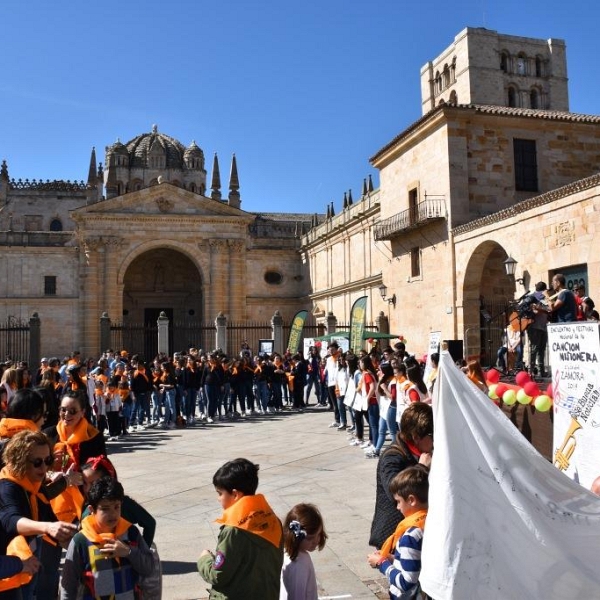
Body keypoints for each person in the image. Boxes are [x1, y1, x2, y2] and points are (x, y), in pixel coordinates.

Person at [0, 431, 78, 599]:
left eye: (48, 460)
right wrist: (47, 527)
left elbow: (46, 511)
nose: (44, 468)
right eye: (37, 462)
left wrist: (77, 544)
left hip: (29, 556)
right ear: (20, 461)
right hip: (8, 568)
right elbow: (11, 521)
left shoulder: (33, 480)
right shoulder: (7, 487)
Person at [198, 458, 284, 599]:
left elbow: (218, 575)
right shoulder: (272, 520)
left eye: (220, 493)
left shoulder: (234, 530)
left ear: (235, 494)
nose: (218, 499)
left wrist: (204, 559)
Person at [59, 476, 154, 600]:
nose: (113, 514)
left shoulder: (130, 533)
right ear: (92, 510)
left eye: (116, 507)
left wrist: (129, 552)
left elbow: (148, 569)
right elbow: (68, 584)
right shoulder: (81, 541)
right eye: (105, 508)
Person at [369, 403, 433, 550]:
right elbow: (396, 492)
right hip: (394, 534)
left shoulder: (423, 452)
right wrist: (422, 468)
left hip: (415, 530)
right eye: (431, 435)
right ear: (416, 437)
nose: (434, 440)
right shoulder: (392, 457)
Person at [367, 466, 429, 600]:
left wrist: (382, 563)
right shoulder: (430, 523)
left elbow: (406, 582)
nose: (398, 507)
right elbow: (416, 563)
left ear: (411, 500)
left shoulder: (411, 536)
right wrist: (393, 559)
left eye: (399, 501)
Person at [280, 503, 327, 600]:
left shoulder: (287, 553)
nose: (316, 541)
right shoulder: (299, 563)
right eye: (310, 538)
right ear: (295, 537)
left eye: (318, 534)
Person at [527, 282, 550, 377]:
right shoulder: (532, 297)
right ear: (544, 289)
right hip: (535, 327)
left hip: (542, 327)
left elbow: (548, 309)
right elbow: (533, 310)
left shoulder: (544, 297)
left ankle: (541, 371)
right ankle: (531, 371)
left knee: (541, 349)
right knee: (535, 349)